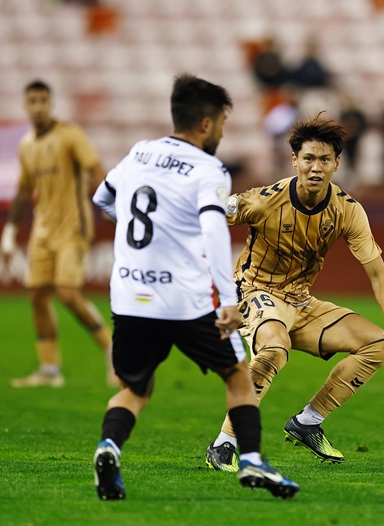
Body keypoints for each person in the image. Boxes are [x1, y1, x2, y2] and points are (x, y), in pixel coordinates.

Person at [90, 74, 299, 500]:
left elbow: (102, 199)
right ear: (205, 123)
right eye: (222, 123)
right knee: (237, 375)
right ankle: (253, 462)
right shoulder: (208, 169)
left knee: (135, 389)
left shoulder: (139, 153)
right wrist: (230, 299)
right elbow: (214, 230)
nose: (222, 132)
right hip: (185, 301)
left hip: (130, 295)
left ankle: (109, 446)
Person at [204, 115, 384, 473]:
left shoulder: (347, 210)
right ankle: (224, 444)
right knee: (273, 350)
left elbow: (378, 273)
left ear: (336, 163)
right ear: (294, 161)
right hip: (257, 290)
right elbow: (210, 215)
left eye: (324, 160)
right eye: (308, 159)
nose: (315, 167)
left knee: (378, 344)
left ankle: (308, 421)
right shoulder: (263, 201)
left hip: (301, 300)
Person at [1, 80, 115, 388]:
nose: (37, 106)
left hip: (73, 227)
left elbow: (96, 168)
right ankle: (50, 370)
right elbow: (24, 190)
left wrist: (108, 204)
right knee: (37, 295)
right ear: (25, 105)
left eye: (42, 100)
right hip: (42, 229)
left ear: (50, 103)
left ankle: (111, 348)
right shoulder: (26, 145)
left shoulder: (70, 135)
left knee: (66, 292)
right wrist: (10, 231)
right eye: (32, 101)